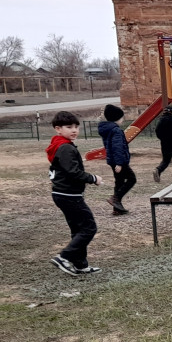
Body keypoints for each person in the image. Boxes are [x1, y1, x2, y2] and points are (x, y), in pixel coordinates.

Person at [46, 110, 104, 275]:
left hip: (64, 194)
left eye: (76, 127)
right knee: (89, 228)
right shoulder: (65, 147)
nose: (74, 130)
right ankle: (64, 257)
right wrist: (93, 178)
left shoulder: (60, 145)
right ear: (58, 129)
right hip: (69, 195)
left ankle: (80, 264)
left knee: (78, 229)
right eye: (69, 127)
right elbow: (73, 172)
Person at [97, 104, 135, 215]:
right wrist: (119, 163)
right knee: (132, 179)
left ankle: (117, 208)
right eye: (121, 118)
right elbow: (117, 147)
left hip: (112, 161)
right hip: (119, 162)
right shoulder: (116, 130)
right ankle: (115, 199)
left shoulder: (107, 129)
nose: (122, 120)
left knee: (119, 182)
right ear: (116, 118)